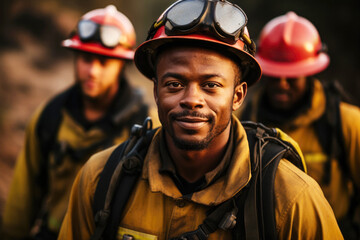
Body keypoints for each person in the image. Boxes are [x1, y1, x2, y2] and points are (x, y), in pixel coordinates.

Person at [58, 1, 343, 239]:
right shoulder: (101, 180)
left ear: (238, 96)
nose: (191, 98)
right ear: (155, 90)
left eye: (211, 85)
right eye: (173, 84)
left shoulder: (291, 199)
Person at [1, 5, 157, 240]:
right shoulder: (50, 117)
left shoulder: (146, 123)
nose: (92, 71)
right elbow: (21, 202)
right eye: (86, 59)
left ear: (121, 66)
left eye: (104, 62)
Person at [236, 11, 360, 239]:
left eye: (291, 77)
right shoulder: (243, 122)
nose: (282, 85)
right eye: (274, 75)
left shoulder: (348, 124)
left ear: (309, 72)